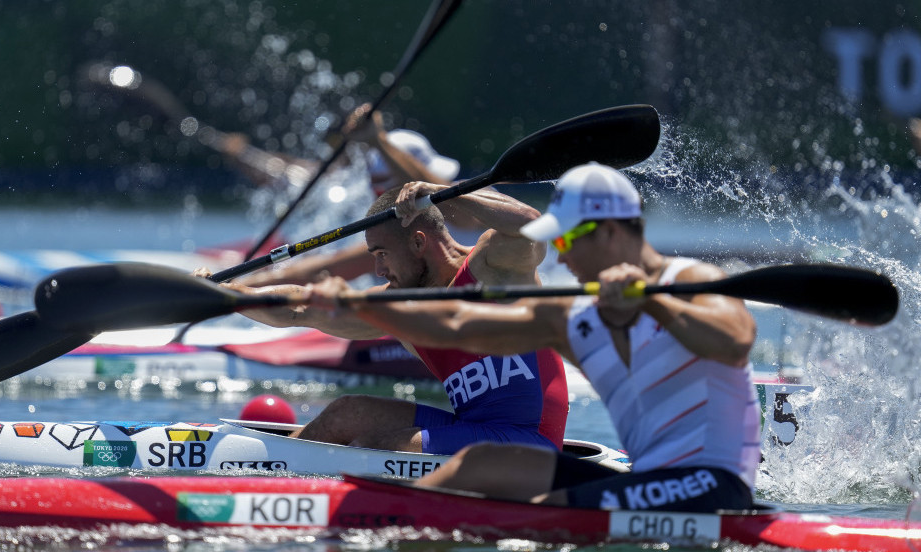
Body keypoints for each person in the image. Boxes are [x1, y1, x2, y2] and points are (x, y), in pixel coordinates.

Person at [306, 162, 761, 513]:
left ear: (607, 232)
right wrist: (359, 305)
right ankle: (379, 525)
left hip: (711, 485)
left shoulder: (692, 278)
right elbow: (459, 327)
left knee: (540, 516)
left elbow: (735, 342)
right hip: (649, 480)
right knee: (479, 464)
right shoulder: (575, 316)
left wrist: (651, 302)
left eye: (566, 243)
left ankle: (398, 527)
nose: (562, 260)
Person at [205, 180, 570, 455]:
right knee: (347, 413)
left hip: (530, 440)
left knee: (381, 444)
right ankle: (264, 467)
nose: (378, 270)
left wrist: (446, 192)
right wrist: (226, 297)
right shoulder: (403, 307)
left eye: (382, 254)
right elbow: (300, 308)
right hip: (473, 428)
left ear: (418, 242)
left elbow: (533, 224)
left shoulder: (493, 266)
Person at [237, 103, 465, 287]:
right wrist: (247, 283)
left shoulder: (468, 208)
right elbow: (327, 266)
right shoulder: (395, 236)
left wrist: (379, 141)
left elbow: (447, 199)